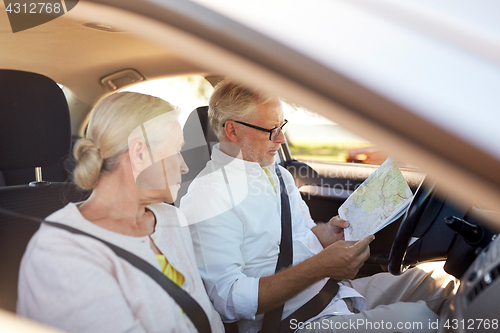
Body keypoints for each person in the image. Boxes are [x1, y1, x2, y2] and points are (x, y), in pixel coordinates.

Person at [179, 79, 456, 333]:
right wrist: (320, 267)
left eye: (282, 126)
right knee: (420, 322)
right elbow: (227, 299)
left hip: (332, 294)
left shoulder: (277, 173)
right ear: (232, 130)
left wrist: (329, 233)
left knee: (445, 281)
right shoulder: (208, 196)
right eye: (271, 130)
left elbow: (303, 236)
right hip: (294, 322)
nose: (282, 139)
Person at [17, 92, 224, 333]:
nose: (184, 166)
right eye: (176, 150)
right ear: (139, 153)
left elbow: (208, 318)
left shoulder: (170, 218)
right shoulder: (60, 254)